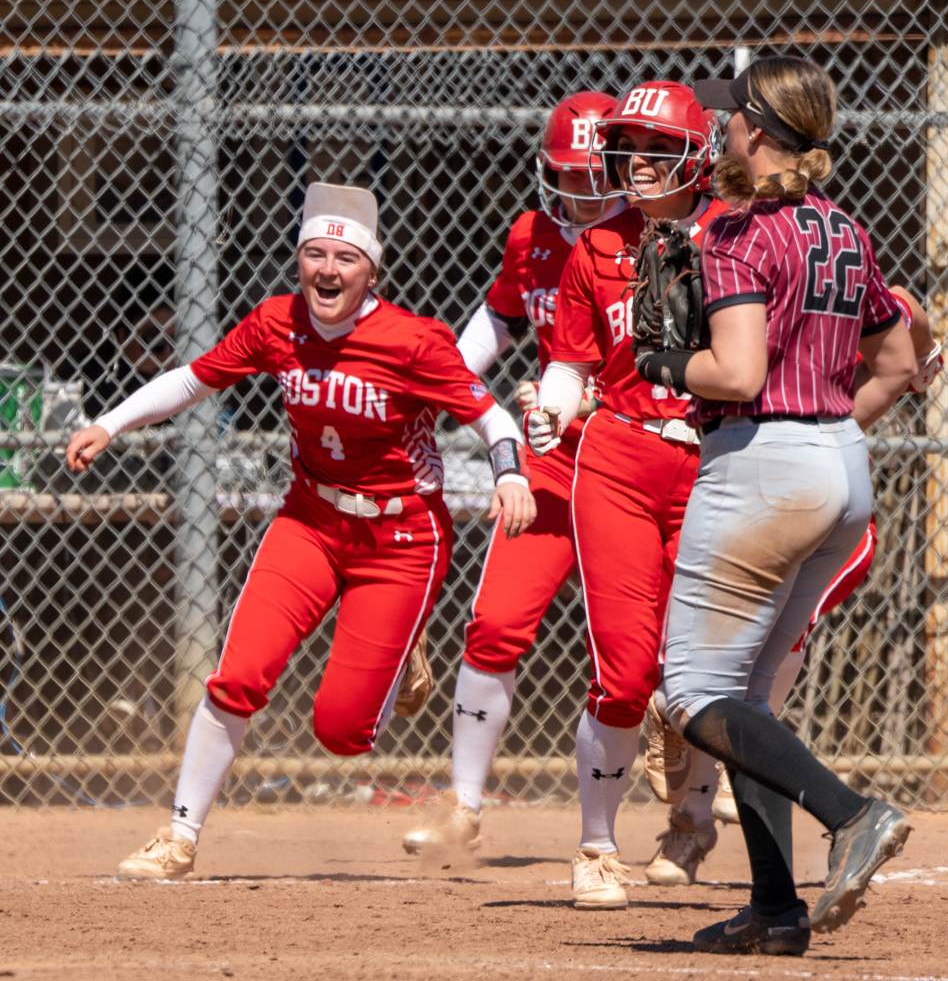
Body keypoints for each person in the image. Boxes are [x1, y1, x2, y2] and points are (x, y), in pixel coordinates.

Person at [65, 183, 537, 881]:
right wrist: (110, 423)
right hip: (309, 521)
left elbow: (492, 418)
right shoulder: (275, 323)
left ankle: (405, 644)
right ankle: (179, 836)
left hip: (400, 540)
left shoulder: (411, 341)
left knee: (341, 733)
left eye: (344, 258)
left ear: (370, 271)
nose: (326, 269)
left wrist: (509, 473)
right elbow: (193, 381)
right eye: (313, 253)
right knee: (237, 677)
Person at [638, 57, 917, 955]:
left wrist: (662, 366)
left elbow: (737, 372)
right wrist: (829, 437)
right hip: (837, 462)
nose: (721, 128)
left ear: (758, 129)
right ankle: (776, 908)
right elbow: (900, 366)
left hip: (762, 461)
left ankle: (852, 814)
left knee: (690, 691)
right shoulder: (844, 229)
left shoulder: (738, 233)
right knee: (746, 699)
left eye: (731, 117)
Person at [647, 284, 942, 882]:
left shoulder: (757, 251)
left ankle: (833, 815)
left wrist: (656, 361)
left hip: (789, 489)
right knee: (741, 689)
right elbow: (908, 347)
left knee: (710, 689)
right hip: (804, 479)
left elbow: (910, 337)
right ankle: (762, 893)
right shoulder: (815, 245)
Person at [400, 90, 622, 853]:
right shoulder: (531, 233)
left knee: (639, 655)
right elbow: (500, 316)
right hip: (551, 461)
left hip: (632, 464)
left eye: (598, 177)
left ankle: (688, 813)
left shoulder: (656, 238)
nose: (582, 194)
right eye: (569, 176)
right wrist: (447, 382)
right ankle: (463, 803)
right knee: (494, 623)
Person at [525, 81, 727, 909]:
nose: (635, 164)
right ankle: (596, 846)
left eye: (654, 149)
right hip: (618, 456)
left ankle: (690, 795)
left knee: (702, 669)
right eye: (626, 149)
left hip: (718, 462)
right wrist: (550, 404)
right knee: (621, 667)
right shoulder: (593, 248)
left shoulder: (737, 237)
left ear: (697, 155)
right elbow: (572, 362)